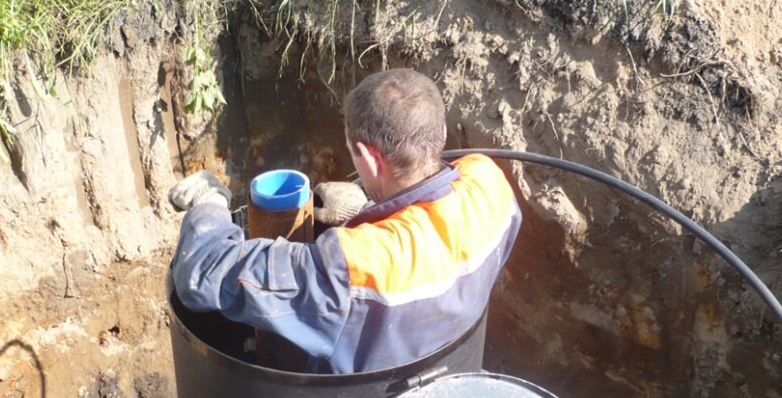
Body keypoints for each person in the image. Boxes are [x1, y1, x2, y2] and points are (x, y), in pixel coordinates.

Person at [171, 68, 521, 374]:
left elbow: (202, 273)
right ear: (439, 131)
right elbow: (436, 241)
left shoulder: (351, 266)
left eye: (353, 153)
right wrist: (371, 210)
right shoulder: (489, 183)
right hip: (442, 376)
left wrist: (209, 203)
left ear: (368, 158)